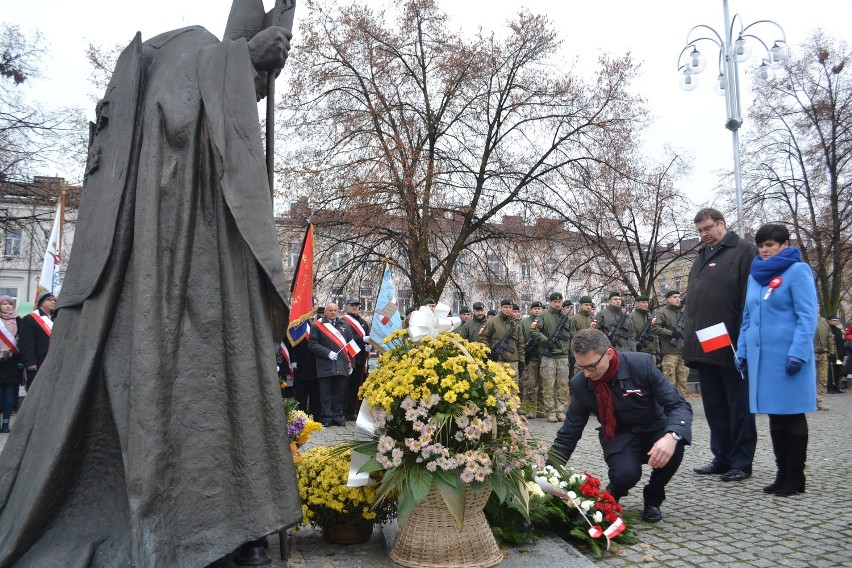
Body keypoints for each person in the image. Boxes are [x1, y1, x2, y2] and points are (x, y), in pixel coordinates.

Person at [0, 1, 302, 565]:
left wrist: (255, 59)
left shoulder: (207, 62)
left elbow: (225, 109)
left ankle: (236, 529)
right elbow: (179, 112)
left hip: (209, 273)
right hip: (161, 273)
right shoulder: (178, 51)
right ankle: (198, 535)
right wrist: (240, 59)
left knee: (223, 386)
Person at [550, 329, 692, 524]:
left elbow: (678, 405)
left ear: (608, 354)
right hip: (618, 433)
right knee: (626, 474)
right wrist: (547, 472)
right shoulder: (581, 384)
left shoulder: (641, 365)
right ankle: (614, 491)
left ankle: (653, 498)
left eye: (591, 366)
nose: (586, 373)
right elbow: (569, 433)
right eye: (580, 366)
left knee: (675, 447)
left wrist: (671, 436)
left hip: (655, 428)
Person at [735, 223, 818, 496]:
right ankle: (781, 474)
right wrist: (743, 350)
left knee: (792, 414)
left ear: (784, 245)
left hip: (789, 357)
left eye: (770, 244)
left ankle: (796, 476)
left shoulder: (797, 271)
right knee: (775, 415)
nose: (765, 250)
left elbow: (807, 316)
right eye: (761, 245)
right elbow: (748, 318)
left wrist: (798, 352)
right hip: (763, 360)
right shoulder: (755, 276)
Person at [682, 208, 758, 482]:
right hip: (705, 342)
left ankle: (741, 461)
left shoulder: (745, 250)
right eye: (699, 231)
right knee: (714, 406)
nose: (704, 235)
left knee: (738, 405)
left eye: (707, 228)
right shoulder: (702, 255)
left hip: (733, 342)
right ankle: (722, 457)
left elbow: (749, 299)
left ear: (722, 224)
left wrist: (745, 340)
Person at [531, 292, 575, 422]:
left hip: (563, 356)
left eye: (559, 301)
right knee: (548, 385)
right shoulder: (543, 316)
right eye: (555, 302)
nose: (557, 304)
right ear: (550, 302)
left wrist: (572, 354)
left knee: (562, 384)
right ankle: (550, 411)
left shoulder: (567, 318)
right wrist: (546, 340)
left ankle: (560, 410)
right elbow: (533, 330)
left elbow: (573, 336)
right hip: (548, 356)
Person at [308, 302, 354, 427]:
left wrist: (351, 363)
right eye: (330, 310)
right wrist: (327, 353)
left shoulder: (345, 325)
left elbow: (350, 346)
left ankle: (337, 417)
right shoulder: (317, 326)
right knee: (325, 393)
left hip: (342, 364)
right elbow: (312, 344)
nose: (333, 312)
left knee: (339, 393)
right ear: (325, 312)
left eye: (335, 310)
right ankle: (326, 418)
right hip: (325, 364)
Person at [652, 290, 689, 395]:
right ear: (668, 299)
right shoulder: (662, 312)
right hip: (670, 352)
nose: (678, 299)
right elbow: (654, 328)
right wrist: (671, 333)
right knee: (669, 381)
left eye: (679, 297)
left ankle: (682, 406)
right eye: (674, 297)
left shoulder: (683, 312)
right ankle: (672, 406)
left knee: (683, 381)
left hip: (683, 351)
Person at [17, 291, 55, 391]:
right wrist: (30, 362)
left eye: (54, 300)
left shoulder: (56, 318)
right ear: (41, 302)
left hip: (54, 361)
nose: (53, 302)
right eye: (49, 299)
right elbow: (26, 343)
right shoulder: (29, 319)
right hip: (38, 362)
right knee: (35, 390)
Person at [341, 298, 371, 420]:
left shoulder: (363, 323)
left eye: (357, 305)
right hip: (348, 358)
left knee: (356, 386)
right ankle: (343, 411)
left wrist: (370, 347)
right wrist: (361, 340)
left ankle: (352, 410)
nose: (355, 307)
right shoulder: (343, 321)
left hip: (360, 358)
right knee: (345, 386)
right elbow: (345, 339)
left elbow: (368, 337)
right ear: (347, 306)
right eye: (352, 305)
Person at [479, 299, 524, 378]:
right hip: (498, 361)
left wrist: (522, 361)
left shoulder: (516, 325)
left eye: (510, 307)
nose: (508, 309)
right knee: (497, 389)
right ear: (500, 307)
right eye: (505, 307)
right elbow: (482, 338)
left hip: (513, 362)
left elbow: (521, 344)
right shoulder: (492, 322)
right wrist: (490, 352)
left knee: (513, 389)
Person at [0, 296, 21, 434]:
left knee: (9, 395)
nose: (8, 306)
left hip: (12, 361)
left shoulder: (19, 320)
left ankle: (6, 423)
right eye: (4, 304)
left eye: (10, 304)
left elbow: (23, 340)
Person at [827, 316, 845, 393]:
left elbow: (841, 343)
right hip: (832, 353)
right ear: (829, 321)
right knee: (831, 371)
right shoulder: (828, 329)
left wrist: (844, 353)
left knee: (838, 371)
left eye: (837, 320)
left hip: (839, 354)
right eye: (833, 320)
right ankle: (830, 388)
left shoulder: (838, 330)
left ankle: (836, 386)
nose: (835, 322)